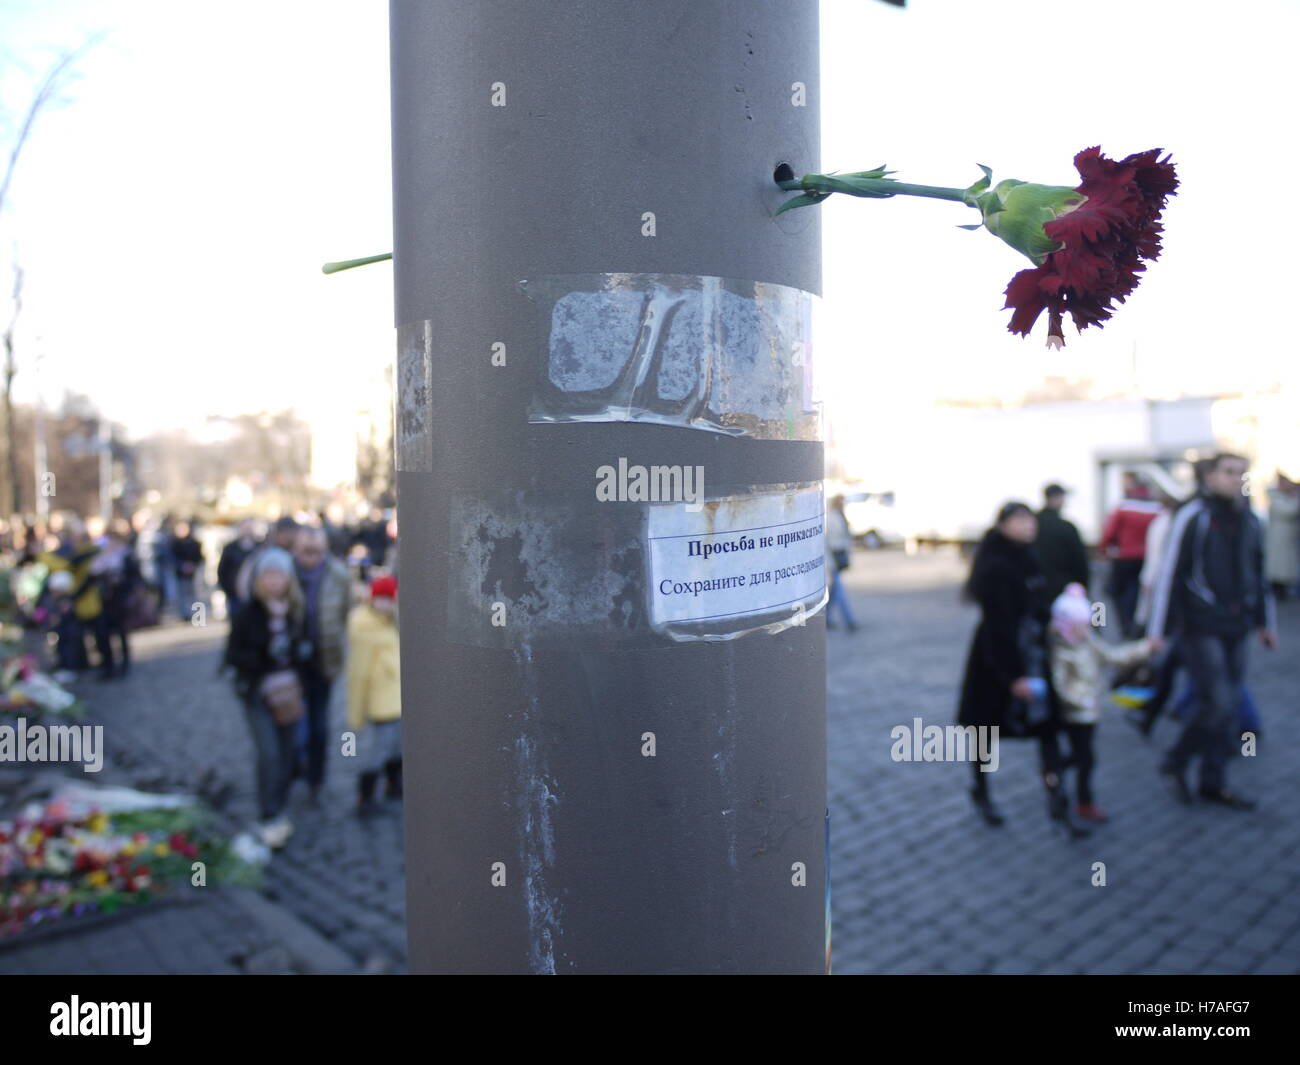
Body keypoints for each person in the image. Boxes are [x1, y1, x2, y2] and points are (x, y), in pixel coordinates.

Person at [1146, 453, 1277, 810]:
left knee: (1229, 704)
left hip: (1237, 625)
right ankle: (1174, 761)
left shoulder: (1250, 519)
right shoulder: (1193, 516)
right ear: (1211, 476)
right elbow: (1169, 573)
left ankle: (1212, 780)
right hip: (1199, 625)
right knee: (1217, 701)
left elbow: (1258, 572)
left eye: (1241, 473)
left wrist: (1266, 622)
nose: (1236, 479)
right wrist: (1157, 630)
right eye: (1229, 472)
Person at [958, 502, 1087, 837]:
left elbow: (1038, 606)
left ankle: (1058, 801)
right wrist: (1013, 676)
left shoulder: (1029, 557)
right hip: (998, 660)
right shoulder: (996, 565)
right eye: (1019, 519)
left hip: (1032, 654)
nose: (1028, 525)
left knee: (1047, 730)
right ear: (1002, 524)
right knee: (984, 732)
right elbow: (998, 625)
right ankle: (981, 791)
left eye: (1030, 519)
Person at [1048, 583, 1162, 823]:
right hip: (1075, 714)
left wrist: (1145, 648)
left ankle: (1063, 780)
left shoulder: (1088, 640)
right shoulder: (1061, 651)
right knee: (1084, 758)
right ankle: (1069, 788)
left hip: (1090, 713)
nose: (1086, 629)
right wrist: (1082, 701)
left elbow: (1113, 656)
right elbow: (1060, 686)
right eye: (1081, 626)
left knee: (1084, 757)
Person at [224, 547, 312, 849]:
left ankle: (280, 806)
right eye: (268, 575)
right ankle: (268, 812)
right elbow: (234, 655)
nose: (274, 581)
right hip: (258, 694)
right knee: (269, 754)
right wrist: (264, 660)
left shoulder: (296, 612)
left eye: (279, 575)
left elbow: (306, 651)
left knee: (289, 753)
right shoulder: (248, 614)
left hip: (289, 693)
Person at [292, 526, 352, 803]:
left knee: (319, 723)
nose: (311, 557)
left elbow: (346, 614)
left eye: (316, 551)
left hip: (324, 659)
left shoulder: (339, 575)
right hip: (291, 661)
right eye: (306, 551)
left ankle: (315, 776)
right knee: (296, 720)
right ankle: (296, 764)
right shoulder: (286, 573)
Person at [347, 575, 402, 816]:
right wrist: (356, 712)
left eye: (387, 599)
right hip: (380, 702)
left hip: (397, 699)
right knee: (378, 752)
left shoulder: (394, 622)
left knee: (397, 747)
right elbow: (358, 673)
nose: (384, 604)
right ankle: (365, 796)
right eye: (379, 599)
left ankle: (394, 784)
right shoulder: (363, 626)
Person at [1100, 475, 1163, 638]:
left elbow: (1109, 533)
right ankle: (1139, 626)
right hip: (1146, 558)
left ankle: (1126, 626)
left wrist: (1105, 549)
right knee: (1140, 593)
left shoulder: (1123, 506)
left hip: (1124, 556)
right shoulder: (1157, 507)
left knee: (1120, 593)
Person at [1034, 483, 1091, 603]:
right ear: (1056, 497)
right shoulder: (1066, 527)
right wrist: (1083, 587)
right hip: (1064, 588)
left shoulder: (1033, 523)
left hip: (1036, 586)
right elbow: (1079, 561)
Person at [824, 495, 858, 632]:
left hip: (840, 557)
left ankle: (827, 617)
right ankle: (849, 620)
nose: (842, 504)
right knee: (839, 589)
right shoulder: (830, 517)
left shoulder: (840, 516)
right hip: (832, 559)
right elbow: (827, 541)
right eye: (840, 502)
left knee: (834, 591)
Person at [1265, 473, 1298, 600]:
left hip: (1286, 537)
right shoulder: (1276, 497)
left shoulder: (1283, 497)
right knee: (1278, 567)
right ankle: (1278, 590)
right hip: (1278, 538)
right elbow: (1289, 510)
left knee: (1284, 566)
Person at [218, 519, 258, 620]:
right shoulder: (230, 548)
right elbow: (222, 570)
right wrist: (227, 590)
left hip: (255, 595)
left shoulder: (259, 547)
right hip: (234, 595)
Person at [171, 520, 204, 621]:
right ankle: (184, 614)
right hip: (180, 573)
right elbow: (171, 557)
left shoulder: (194, 542)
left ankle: (196, 615)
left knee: (194, 594)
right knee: (182, 593)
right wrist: (181, 565)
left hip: (193, 572)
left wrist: (192, 565)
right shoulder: (174, 543)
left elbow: (200, 556)